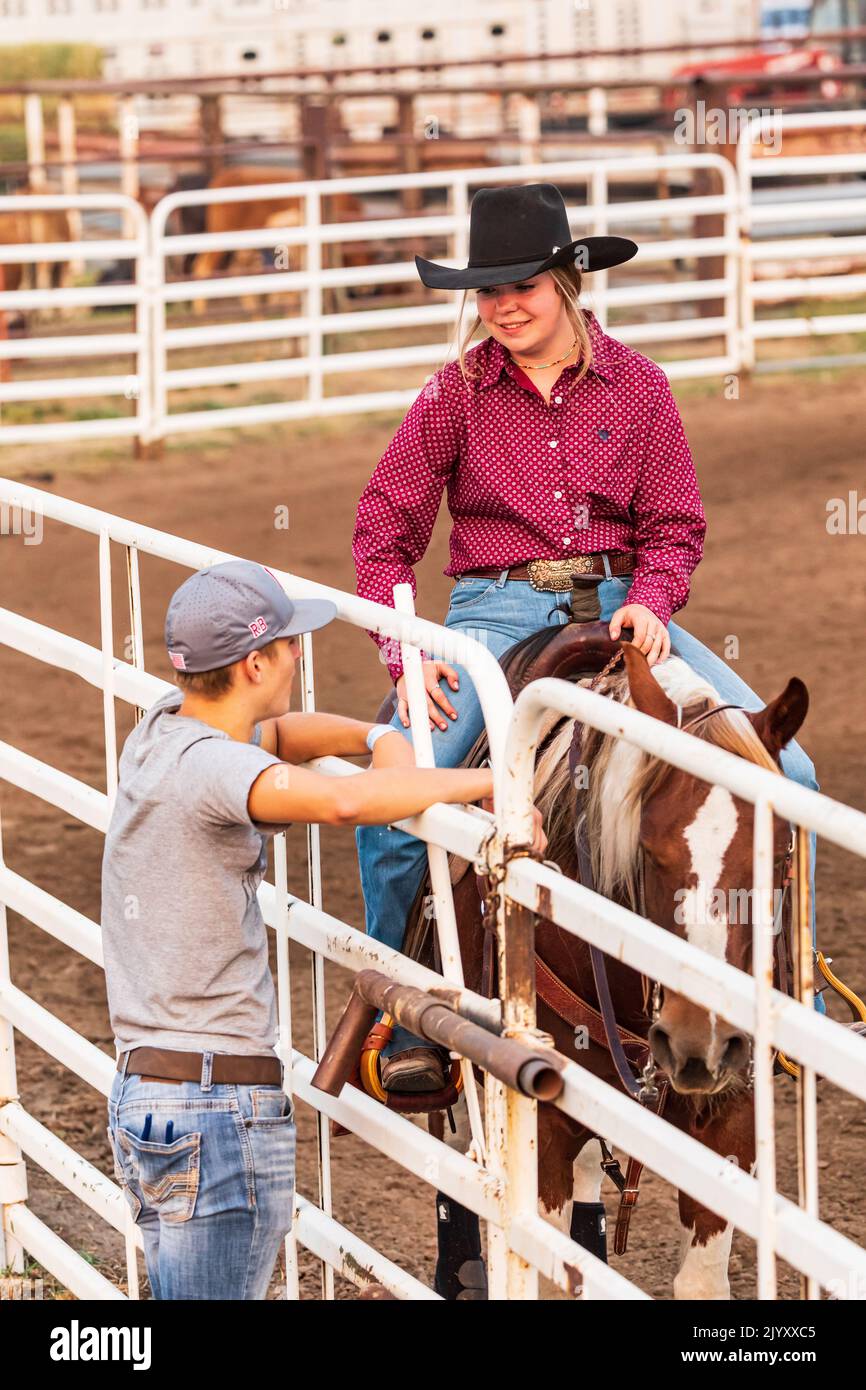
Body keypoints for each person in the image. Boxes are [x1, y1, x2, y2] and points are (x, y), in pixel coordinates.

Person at [352, 182, 824, 1094]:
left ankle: (781, 990)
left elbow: (674, 523)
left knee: (790, 777)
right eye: (487, 292)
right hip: (492, 613)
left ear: (568, 278)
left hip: (621, 607)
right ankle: (399, 1003)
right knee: (397, 798)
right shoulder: (453, 395)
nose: (504, 308)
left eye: (521, 284)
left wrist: (652, 596)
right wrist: (405, 651)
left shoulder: (638, 386)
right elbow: (384, 530)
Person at [102, 559, 501, 1300]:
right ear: (254, 662)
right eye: (288, 644)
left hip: (150, 1094)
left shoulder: (161, 729)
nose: (297, 654)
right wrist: (492, 785)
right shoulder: (217, 771)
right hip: (216, 1108)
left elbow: (279, 733)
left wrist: (372, 732)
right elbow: (343, 805)